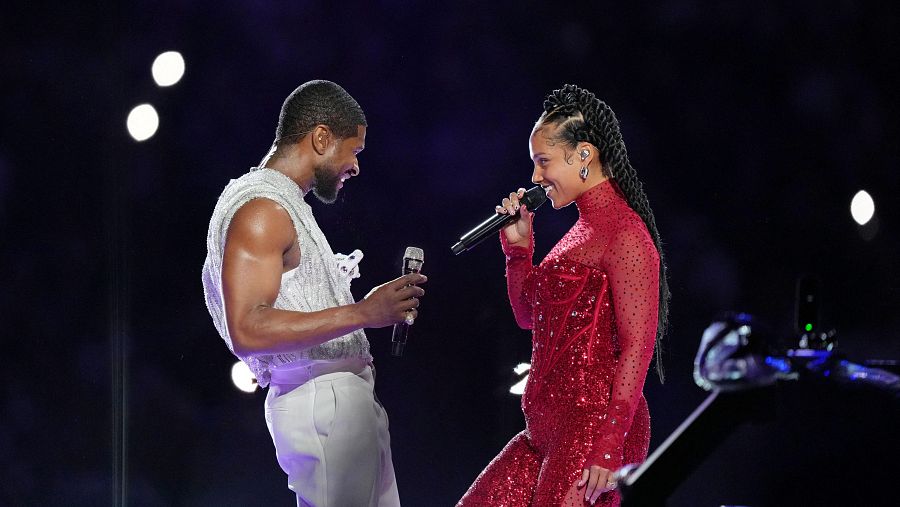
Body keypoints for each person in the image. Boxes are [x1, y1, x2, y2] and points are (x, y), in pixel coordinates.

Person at [201, 80, 426, 507]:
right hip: (323, 403)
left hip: (337, 402)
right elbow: (248, 328)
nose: (355, 166)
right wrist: (364, 313)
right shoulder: (262, 209)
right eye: (354, 151)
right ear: (321, 138)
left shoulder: (282, 203)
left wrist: (364, 307)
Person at [458, 84, 670, 507]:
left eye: (543, 162)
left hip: (593, 427)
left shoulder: (625, 234)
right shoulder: (578, 231)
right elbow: (528, 317)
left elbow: (638, 344)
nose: (536, 178)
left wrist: (609, 445)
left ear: (583, 155)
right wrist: (519, 253)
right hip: (543, 431)